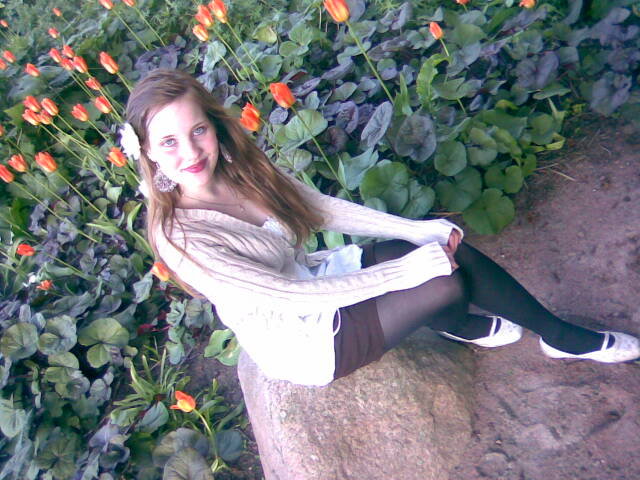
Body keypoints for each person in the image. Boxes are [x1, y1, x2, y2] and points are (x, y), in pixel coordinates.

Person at [122, 69, 640, 387]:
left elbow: (315, 207)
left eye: (198, 130)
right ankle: (455, 319)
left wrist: (415, 229)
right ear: (146, 151)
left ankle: (557, 335)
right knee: (439, 280)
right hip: (304, 337)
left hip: (315, 280)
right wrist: (403, 274)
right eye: (168, 142)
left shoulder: (237, 167)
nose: (191, 152)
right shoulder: (181, 237)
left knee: (439, 250)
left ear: (213, 125)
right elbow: (286, 297)